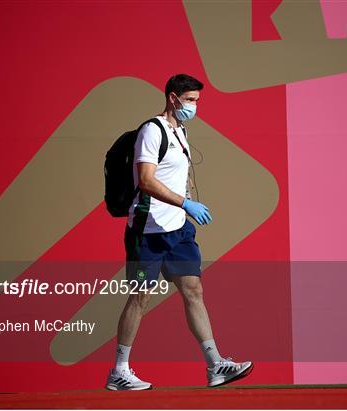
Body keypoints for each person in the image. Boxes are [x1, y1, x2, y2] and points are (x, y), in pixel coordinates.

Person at [105, 74, 253, 390]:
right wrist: (186, 203)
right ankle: (119, 371)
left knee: (193, 290)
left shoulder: (180, 131)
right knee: (140, 296)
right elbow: (145, 180)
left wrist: (187, 203)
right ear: (174, 98)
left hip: (178, 231)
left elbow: (177, 175)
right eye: (191, 101)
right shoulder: (152, 130)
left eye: (197, 101)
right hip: (148, 232)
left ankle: (216, 365)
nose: (195, 107)